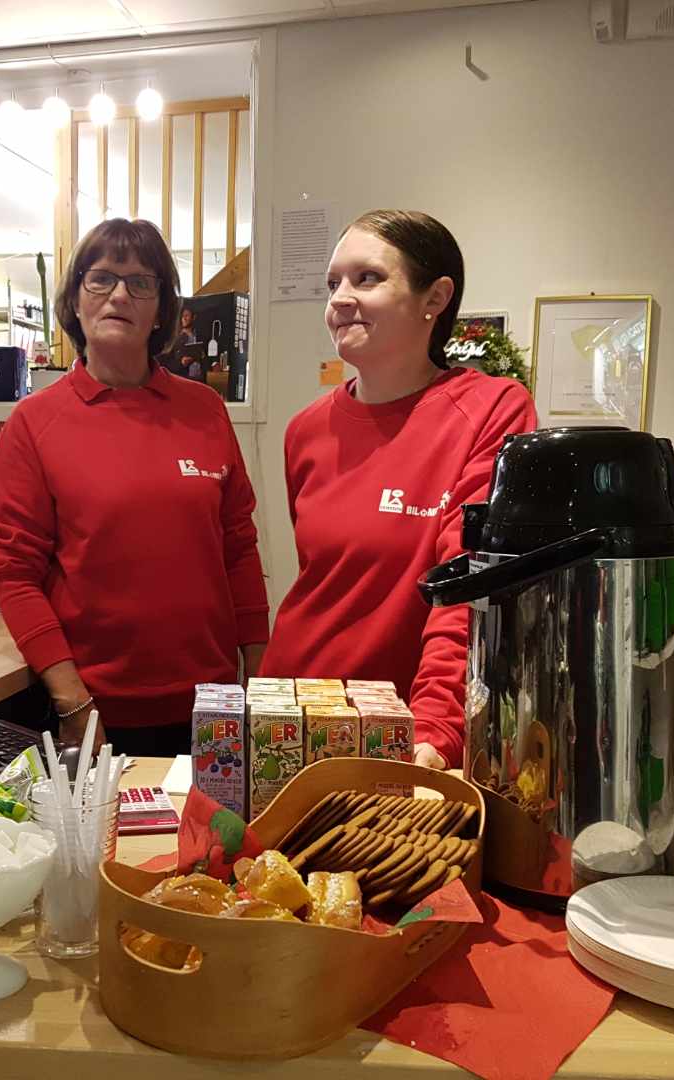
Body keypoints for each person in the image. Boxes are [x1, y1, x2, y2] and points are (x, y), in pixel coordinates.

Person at [261, 209, 537, 771]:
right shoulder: (305, 431)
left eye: (367, 278)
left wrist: (435, 730)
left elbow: (469, 585)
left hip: (403, 734)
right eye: (332, 283)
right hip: (292, 716)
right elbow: (325, 583)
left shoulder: (491, 410)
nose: (340, 299)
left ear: (435, 297)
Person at [0, 218, 270, 757]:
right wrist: (72, 701)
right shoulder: (34, 422)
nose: (119, 295)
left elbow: (238, 546)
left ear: (161, 310)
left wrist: (261, 677)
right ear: (75, 300)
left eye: (141, 282)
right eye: (101, 278)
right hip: (97, 712)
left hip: (213, 706)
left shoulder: (205, 409)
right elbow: (15, 575)